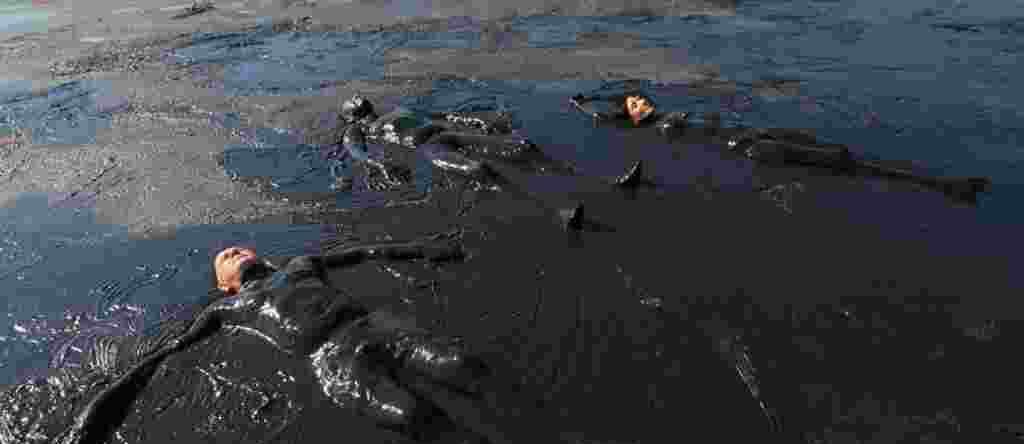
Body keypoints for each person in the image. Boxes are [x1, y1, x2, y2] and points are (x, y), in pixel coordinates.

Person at [62, 238, 656, 444]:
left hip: (374, 329)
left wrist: (431, 249)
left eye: (239, 246)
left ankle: (584, 443)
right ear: (222, 285)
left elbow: (369, 251)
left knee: (461, 365)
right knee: (415, 414)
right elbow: (159, 360)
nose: (236, 252)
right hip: (334, 364)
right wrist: (99, 412)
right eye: (226, 257)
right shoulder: (227, 313)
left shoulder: (300, 266)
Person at [568, 89, 992, 201]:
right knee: (843, 163)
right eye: (634, 104)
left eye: (639, 100)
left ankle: (945, 184)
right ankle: (946, 186)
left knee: (845, 158)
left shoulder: (665, 118)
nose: (640, 103)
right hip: (751, 147)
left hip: (753, 139)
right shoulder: (656, 125)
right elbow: (607, 116)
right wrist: (584, 106)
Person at [332, 95, 575, 196]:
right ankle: (545, 193)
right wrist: (378, 162)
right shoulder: (388, 115)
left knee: (518, 148)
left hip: (441, 137)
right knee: (479, 167)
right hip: (435, 141)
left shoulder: (391, 114)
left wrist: (378, 163)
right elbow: (355, 149)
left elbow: (356, 151)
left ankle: (559, 184)